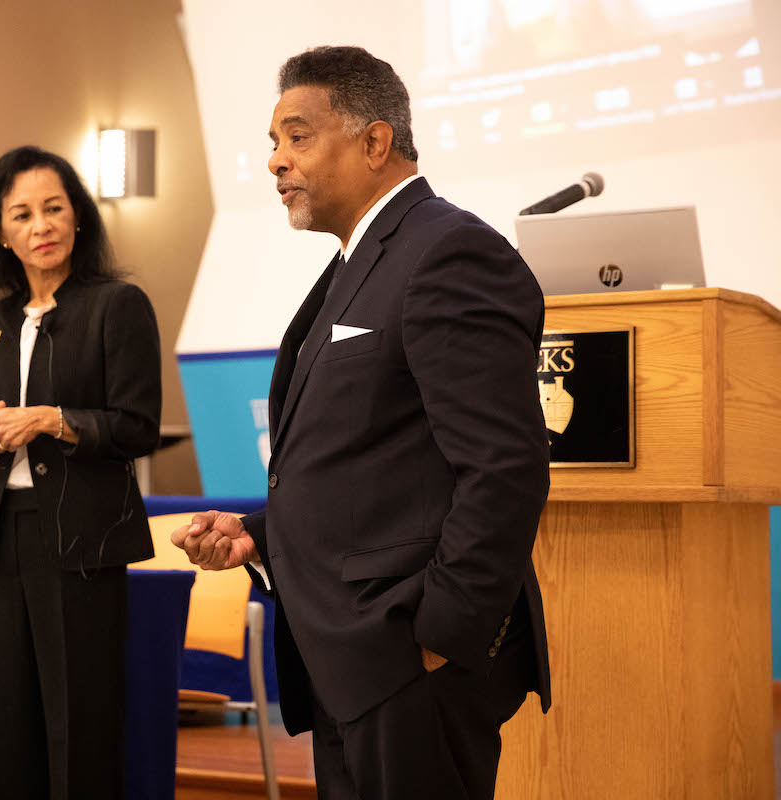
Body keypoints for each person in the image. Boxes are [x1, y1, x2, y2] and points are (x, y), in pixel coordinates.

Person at [172, 46, 551, 800]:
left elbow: (504, 467)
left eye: (298, 137)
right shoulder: (361, 262)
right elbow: (375, 464)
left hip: (406, 662)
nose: (276, 161)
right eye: (273, 143)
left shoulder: (448, 252)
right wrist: (261, 535)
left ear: (375, 142)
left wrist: (440, 636)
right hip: (348, 664)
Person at [0, 145, 161, 799]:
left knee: (80, 724)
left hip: (82, 539)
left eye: (54, 208)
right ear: (0, 233)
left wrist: (50, 420)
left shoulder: (118, 305)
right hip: (2, 540)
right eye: (22, 215)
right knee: (11, 722)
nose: (41, 225)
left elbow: (137, 428)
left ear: (78, 217)